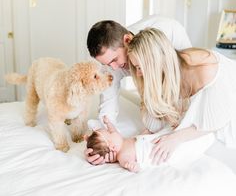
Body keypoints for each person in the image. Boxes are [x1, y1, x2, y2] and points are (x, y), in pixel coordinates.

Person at [85, 15, 192, 164]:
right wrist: (101, 144)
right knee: (151, 120)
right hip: (152, 94)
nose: (113, 67)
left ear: (127, 40)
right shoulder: (110, 64)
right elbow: (108, 103)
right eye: (108, 64)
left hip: (175, 52)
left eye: (115, 59)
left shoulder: (166, 35)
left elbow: (187, 81)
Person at [127, 27, 236, 164]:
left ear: (153, 62)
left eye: (139, 67)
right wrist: (135, 141)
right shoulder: (165, 73)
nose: (138, 74)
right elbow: (154, 122)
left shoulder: (203, 70)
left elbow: (216, 122)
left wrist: (175, 138)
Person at [85, 117, 214, 172]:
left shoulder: (123, 142)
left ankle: (200, 128)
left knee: (175, 129)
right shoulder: (123, 156)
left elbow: (114, 131)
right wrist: (132, 166)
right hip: (156, 150)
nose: (111, 130)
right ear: (112, 147)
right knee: (181, 148)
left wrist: (108, 123)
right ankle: (206, 135)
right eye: (109, 132)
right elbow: (128, 164)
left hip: (154, 139)